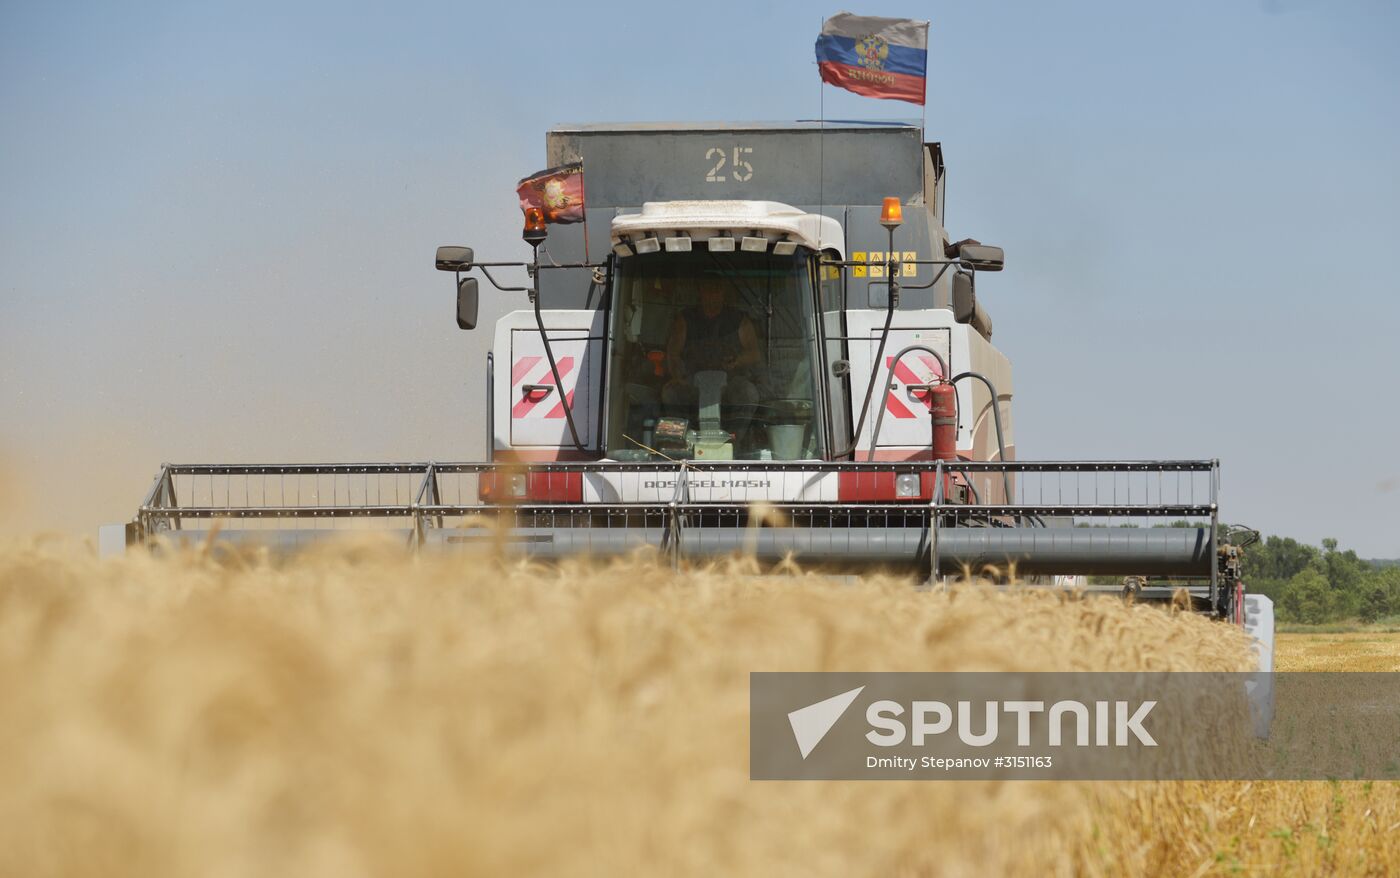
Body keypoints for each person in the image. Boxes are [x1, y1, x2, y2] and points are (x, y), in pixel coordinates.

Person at [662, 277, 760, 418]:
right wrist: (678, 376)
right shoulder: (685, 319)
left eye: (716, 290)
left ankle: (736, 438)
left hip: (730, 383)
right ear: (700, 293)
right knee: (670, 393)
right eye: (708, 290)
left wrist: (737, 360)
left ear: (723, 293)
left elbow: (754, 353)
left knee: (749, 393)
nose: (712, 295)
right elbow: (673, 354)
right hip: (693, 383)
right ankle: (682, 436)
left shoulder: (739, 319)